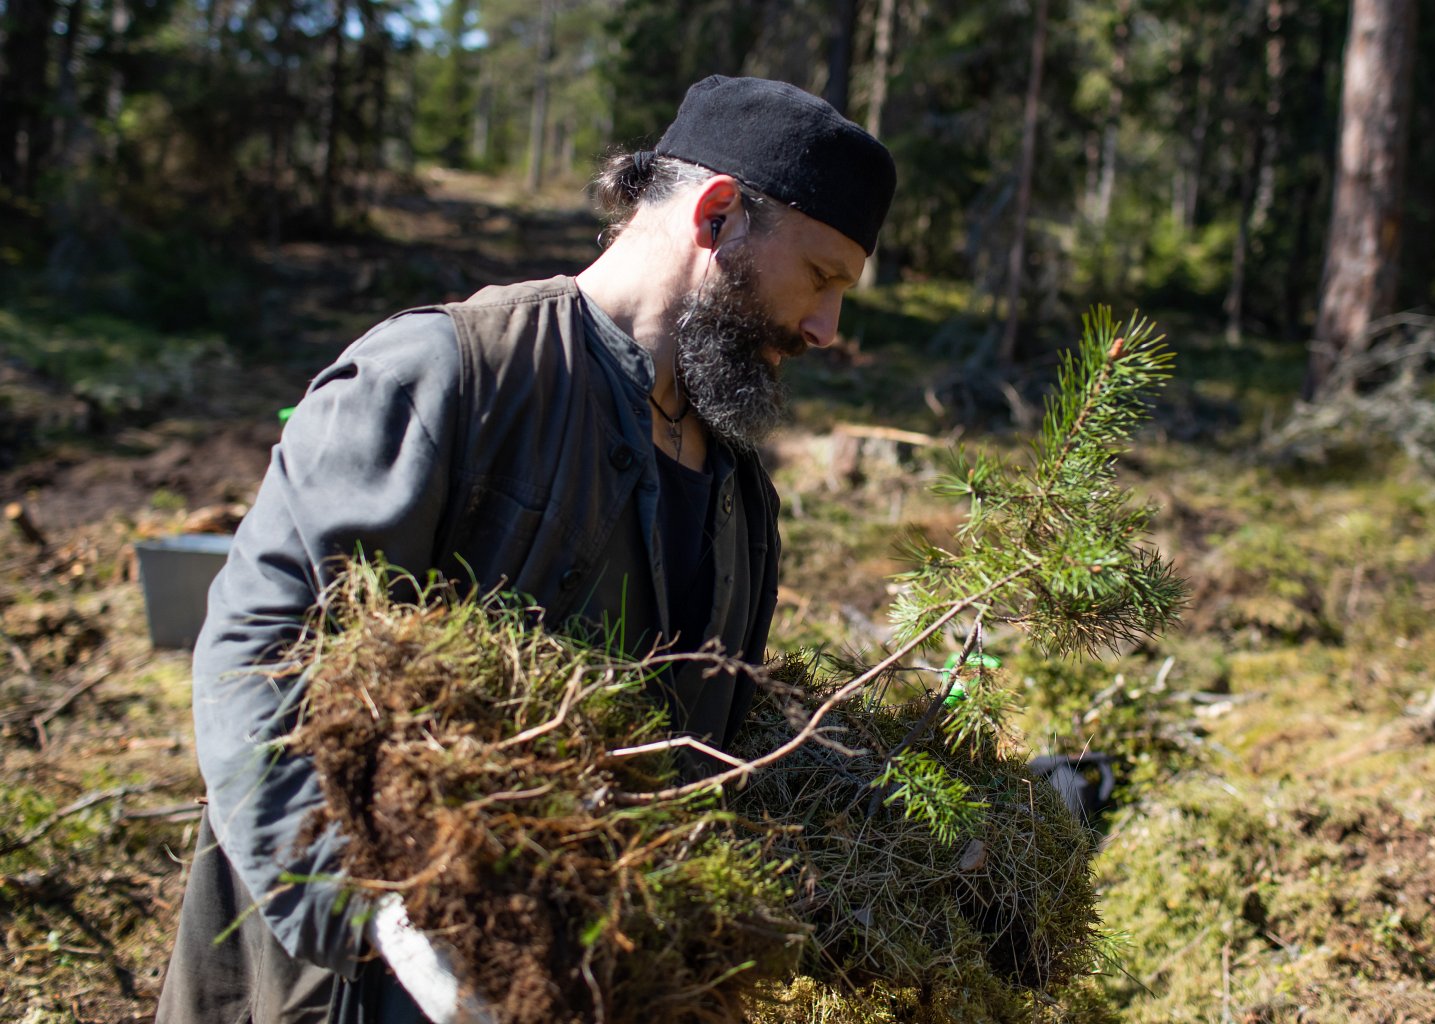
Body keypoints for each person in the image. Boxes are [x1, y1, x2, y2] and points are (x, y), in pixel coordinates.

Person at [155, 75, 897, 1024]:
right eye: (825, 278)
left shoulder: (739, 486)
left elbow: (711, 748)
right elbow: (262, 654)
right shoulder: (452, 376)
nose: (827, 329)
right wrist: (376, 916)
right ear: (717, 217)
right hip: (339, 991)